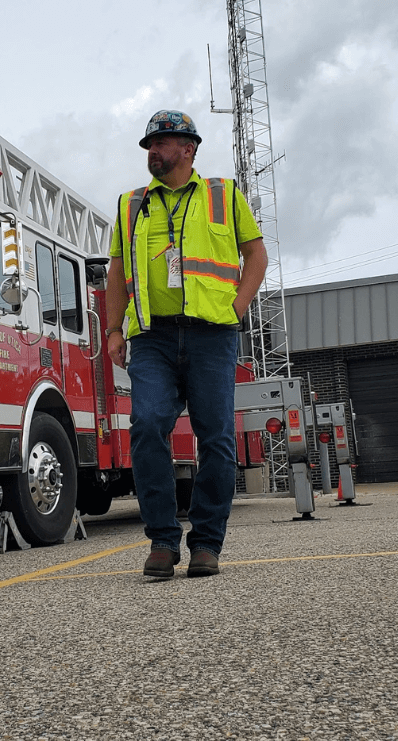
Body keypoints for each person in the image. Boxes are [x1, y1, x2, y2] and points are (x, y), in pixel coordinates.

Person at [105, 110, 267, 580]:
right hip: (152, 336)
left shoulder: (223, 194)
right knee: (148, 424)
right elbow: (117, 271)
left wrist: (237, 306)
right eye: (149, 144)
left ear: (188, 149)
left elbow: (255, 253)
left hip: (211, 332)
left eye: (161, 142)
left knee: (215, 437)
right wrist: (114, 328)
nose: (152, 150)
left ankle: (207, 543)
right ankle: (161, 539)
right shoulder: (131, 203)